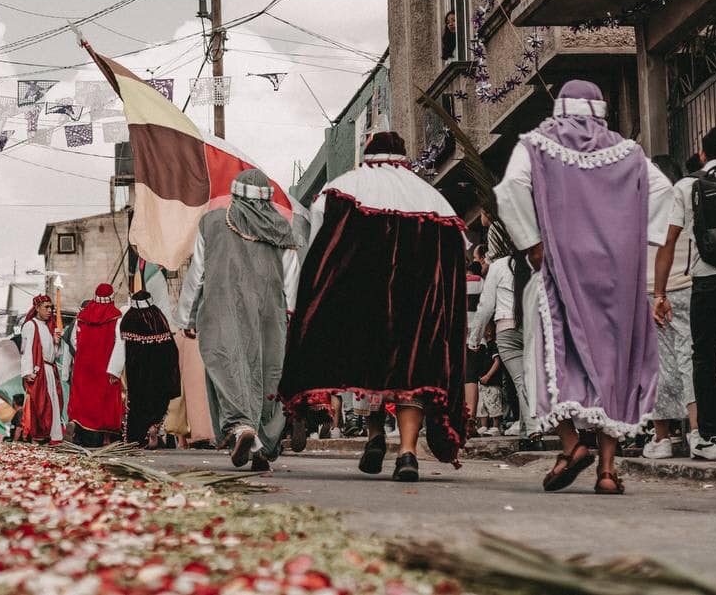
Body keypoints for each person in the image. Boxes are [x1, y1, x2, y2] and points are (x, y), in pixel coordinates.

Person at [497, 80, 673, 494]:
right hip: (615, 276)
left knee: (550, 357)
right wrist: (631, 240)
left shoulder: (536, 144)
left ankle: (572, 446)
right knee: (611, 365)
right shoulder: (627, 152)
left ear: (559, 108)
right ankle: (608, 472)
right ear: (602, 109)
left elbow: (510, 190)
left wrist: (534, 243)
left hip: (560, 267)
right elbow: (662, 189)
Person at [282, 132, 468, 482]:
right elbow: (457, 252)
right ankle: (408, 452)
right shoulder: (433, 198)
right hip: (416, 304)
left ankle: (375, 434)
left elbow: (320, 248)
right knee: (411, 375)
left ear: (367, 155)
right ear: (404, 156)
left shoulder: (341, 188)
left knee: (370, 367)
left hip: (364, 299)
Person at [179, 169, 300, 472]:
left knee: (229, 367)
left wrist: (187, 316)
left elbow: (197, 274)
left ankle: (242, 428)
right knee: (269, 372)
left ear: (235, 192)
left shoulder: (213, 222)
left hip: (221, 309)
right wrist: (295, 316)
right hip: (269, 313)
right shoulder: (281, 227)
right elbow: (292, 279)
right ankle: (264, 445)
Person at [654, 127, 716, 465]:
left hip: (706, 281)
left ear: (702, 154)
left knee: (704, 356)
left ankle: (710, 438)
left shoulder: (686, 186)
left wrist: (660, 292)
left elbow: (668, 242)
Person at [642, 155, 698, 460]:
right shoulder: (688, 204)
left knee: (656, 366)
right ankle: (696, 430)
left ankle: (661, 437)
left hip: (651, 294)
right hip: (688, 288)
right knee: (691, 358)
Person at [468, 237, 538, 444]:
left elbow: (487, 306)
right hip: (533, 328)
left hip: (506, 330)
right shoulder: (535, 264)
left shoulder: (499, 266)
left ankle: (533, 433)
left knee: (520, 381)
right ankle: (528, 433)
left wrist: (474, 338)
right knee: (531, 380)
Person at [116, 290, 180, 448]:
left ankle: (138, 437)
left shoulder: (130, 318)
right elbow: (172, 348)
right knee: (158, 400)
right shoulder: (158, 316)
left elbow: (121, 347)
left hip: (137, 371)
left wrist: (116, 370)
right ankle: (154, 426)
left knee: (138, 404)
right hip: (161, 370)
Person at [67, 284, 125, 446]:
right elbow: (120, 343)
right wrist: (116, 369)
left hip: (83, 367)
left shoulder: (81, 317)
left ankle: (75, 425)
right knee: (105, 402)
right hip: (105, 366)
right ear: (111, 297)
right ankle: (106, 438)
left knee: (82, 399)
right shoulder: (116, 318)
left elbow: (74, 340)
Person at [20, 294, 64, 445]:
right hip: (38, 371)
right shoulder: (30, 325)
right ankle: (39, 436)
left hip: (50, 370)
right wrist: (27, 372)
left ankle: (53, 435)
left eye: (51, 307)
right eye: (46, 307)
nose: (50, 310)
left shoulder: (49, 326)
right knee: (40, 404)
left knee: (53, 402)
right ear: (37, 308)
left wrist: (57, 342)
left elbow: (56, 355)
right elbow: (26, 350)